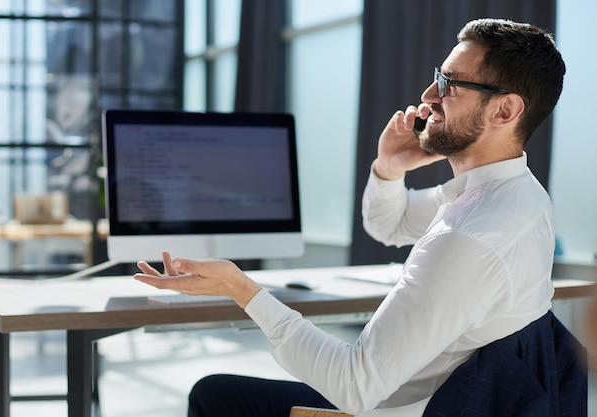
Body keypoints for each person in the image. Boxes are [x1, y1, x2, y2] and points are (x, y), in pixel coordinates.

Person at [134, 18, 566, 417]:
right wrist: (388, 169)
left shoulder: (469, 236)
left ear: (504, 111)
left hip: (398, 409)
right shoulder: (514, 197)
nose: (428, 96)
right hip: (442, 398)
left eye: (448, 85)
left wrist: (243, 290)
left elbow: (353, 387)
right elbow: (389, 226)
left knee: (215, 397)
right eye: (438, 77)